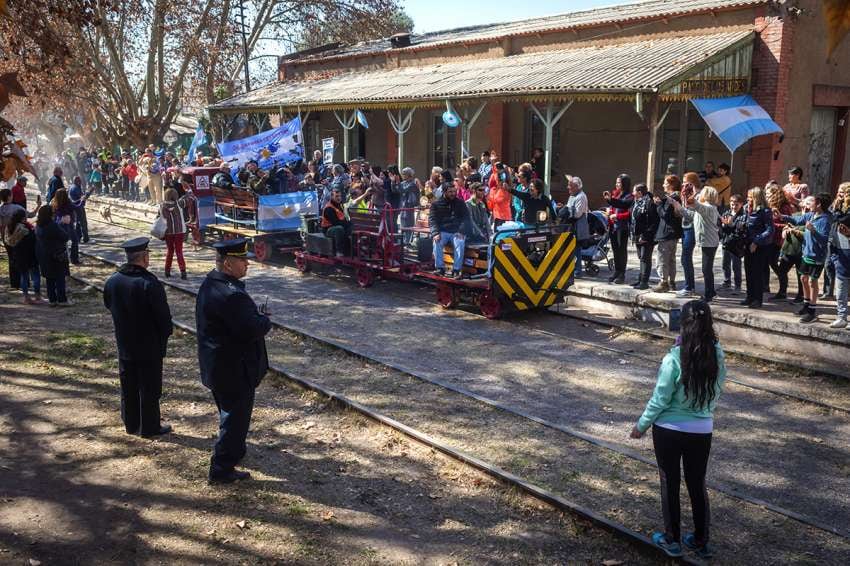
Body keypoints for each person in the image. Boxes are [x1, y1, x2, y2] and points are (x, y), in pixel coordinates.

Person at [630, 299, 726, 559]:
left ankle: (671, 539)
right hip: (702, 429)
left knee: (669, 482)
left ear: (682, 324)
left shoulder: (673, 358)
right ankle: (701, 539)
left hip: (668, 429)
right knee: (697, 483)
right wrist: (703, 411)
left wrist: (641, 425)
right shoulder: (717, 355)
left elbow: (660, 398)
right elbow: (717, 391)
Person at [196, 238, 271, 484]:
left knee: (229, 413)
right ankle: (222, 468)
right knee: (235, 419)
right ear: (228, 264)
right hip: (234, 370)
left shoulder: (211, 283)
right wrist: (264, 319)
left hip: (217, 365)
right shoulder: (232, 295)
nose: (247, 264)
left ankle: (235, 451)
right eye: (242, 260)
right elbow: (251, 329)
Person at [103, 237, 173, 437]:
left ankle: (131, 423)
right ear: (144, 257)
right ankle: (150, 427)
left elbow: (108, 304)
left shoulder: (113, 281)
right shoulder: (149, 283)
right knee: (150, 388)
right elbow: (163, 318)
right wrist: (164, 335)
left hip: (125, 344)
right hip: (149, 346)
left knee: (129, 385)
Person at [782, 193, 833, 323]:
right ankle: (806, 304)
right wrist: (782, 216)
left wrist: (813, 230)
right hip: (806, 253)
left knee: (812, 281)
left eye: (811, 203)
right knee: (803, 278)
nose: (807, 205)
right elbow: (797, 220)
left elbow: (824, 240)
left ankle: (812, 310)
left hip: (817, 256)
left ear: (819, 204)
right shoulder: (811, 215)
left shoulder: (825, 220)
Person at [672, 186, 721, 301]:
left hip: (709, 242)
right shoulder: (706, 208)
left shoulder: (708, 208)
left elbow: (692, 203)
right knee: (707, 269)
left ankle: (709, 294)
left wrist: (694, 193)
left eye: (701, 194)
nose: (700, 196)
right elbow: (691, 215)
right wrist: (680, 208)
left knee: (706, 269)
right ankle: (711, 292)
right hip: (707, 241)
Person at [741, 187, 774, 309]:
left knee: (757, 274)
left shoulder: (765, 211)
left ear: (756, 198)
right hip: (747, 244)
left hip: (760, 246)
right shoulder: (746, 209)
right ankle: (749, 297)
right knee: (748, 272)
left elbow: (770, 230)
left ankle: (757, 299)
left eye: (750, 197)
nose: (747, 199)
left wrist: (756, 241)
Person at [429, 183, 471, 279]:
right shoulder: (436, 204)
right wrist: (435, 233)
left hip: (456, 231)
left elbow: (466, 218)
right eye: (450, 192)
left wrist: (462, 231)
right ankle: (440, 268)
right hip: (443, 231)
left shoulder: (460, 203)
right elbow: (432, 220)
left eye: (454, 191)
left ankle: (456, 270)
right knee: (437, 242)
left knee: (460, 243)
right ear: (444, 192)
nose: (453, 193)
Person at [35, 203, 71, 306]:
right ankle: (62, 300)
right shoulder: (52, 225)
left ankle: (52, 300)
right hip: (56, 255)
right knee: (59, 278)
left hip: (43, 255)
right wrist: (64, 224)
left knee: (49, 279)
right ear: (50, 214)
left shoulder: (38, 225)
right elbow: (65, 236)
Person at [652, 175, 683, 293]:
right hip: (673, 233)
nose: (663, 185)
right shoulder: (676, 197)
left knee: (662, 258)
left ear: (671, 185)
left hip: (667, 232)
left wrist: (658, 205)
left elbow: (665, 215)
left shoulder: (672, 198)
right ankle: (672, 282)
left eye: (665, 183)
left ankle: (663, 282)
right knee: (671, 259)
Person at [5, 208, 42, 304]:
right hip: (30, 255)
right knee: (35, 276)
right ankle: (37, 296)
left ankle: (26, 297)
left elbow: (9, 242)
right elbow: (33, 240)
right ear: (22, 218)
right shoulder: (26, 229)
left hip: (18, 255)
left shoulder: (10, 228)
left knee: (24, 276)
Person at [628, 184, 659, 289]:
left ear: (640, 193)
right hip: (637, 235)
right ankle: (640, 280)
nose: (633, 193)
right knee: (641, 258)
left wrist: (645, 236)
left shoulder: (650, 203)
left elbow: (654, 222)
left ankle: (644, 282)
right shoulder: (636, 202)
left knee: (645, 258)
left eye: (634, 191)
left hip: (646, 236)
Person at [558, 175, 589, 277]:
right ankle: (571, 269)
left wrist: (565, 210)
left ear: (577, 187)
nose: (568, 187)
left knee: (576, 249)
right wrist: (564, 208)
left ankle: (577, 271)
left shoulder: (581, 196)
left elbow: (577, 214)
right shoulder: (572, 196)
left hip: (578, 227)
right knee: (570, 248)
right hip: (570, 226)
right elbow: (569, 208)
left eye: (570, 185)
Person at [605, 174, 633, 284]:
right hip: (613, 226)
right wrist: (609, 210)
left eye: (619, 183)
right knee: (615, 250)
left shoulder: (630, 196)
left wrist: (617, 216)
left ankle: (622, 273)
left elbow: (625, 207)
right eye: (616, 182)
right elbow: (613, 206)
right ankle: (616, 271)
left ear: (625, 184)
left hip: (623, 227)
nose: (617, 185)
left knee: (621, 250)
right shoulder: (615, 194)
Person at [677, 173, 701, 297]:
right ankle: (688, 285)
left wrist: (679, 208)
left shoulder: (699, 195)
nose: (683, 184)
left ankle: (689, 287)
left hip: (692, 228)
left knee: (686, 257)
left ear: (692, 182)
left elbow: (692, 215)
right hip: (685, 227)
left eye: (685, 182)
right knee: (684, 258)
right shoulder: (688, 193)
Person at [720, 194, 747, 294]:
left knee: (736, 265)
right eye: (732, 204)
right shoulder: (726, 213)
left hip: (736, 244)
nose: (733, 207)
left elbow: (741, 230)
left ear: (741, 204)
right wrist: (723, 225)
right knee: (725, 263)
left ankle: (737, 286)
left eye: (736, 205)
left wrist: (731, 225)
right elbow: (721, 228)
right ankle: (727, 282)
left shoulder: (743, 215)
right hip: (726, 242)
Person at [159, 188, 189, 279]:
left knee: (170, 251)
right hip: (179, 231)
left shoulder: (162, 205)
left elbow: (161, 216)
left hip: (168, 231)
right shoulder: (179, 204)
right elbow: (187, 200)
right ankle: (183, 271)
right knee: (179, 251)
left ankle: (167, 271)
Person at [831, 212, 850, 328]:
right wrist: (836, 262)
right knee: (840, 296)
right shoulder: (836, 231)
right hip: (841, 268)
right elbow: (832, 248)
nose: (841, 228)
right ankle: (842, 318)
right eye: (840, 225)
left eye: (844, 226)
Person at [321, 187, 352, 257]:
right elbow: (336, 222)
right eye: (336, 196)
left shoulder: (340, 205)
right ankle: (339, 251)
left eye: (340, 196)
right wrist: (347, 224)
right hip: (328, 230)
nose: (339, 198)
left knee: (350, 227)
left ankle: (351, 250)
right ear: (332, 197)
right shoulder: (329, 208)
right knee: (339, 228)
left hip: (339, 225)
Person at [68, 176, 90, 244]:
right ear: (77, 181)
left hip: (74, 207)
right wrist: (88, 194)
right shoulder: (76, 188)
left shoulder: (72, 187)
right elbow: (81, 197)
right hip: (79, 207)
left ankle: (78, 237)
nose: (80, 183)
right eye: (80, 181)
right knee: (83, 223)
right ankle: (85, 238)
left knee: (78, 223)